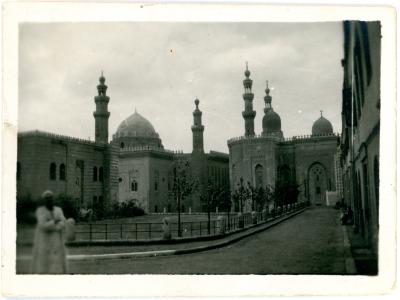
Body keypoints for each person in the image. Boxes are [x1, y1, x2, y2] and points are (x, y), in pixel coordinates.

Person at [31, 190, 67, 274]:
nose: (49, 200)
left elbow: (63, 222)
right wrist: (55, 221)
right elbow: (42, 225)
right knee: (44, 265)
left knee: (56, 264)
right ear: (44, 200)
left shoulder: (58, 210)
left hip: (56, 241)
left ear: (53, 199)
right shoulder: (40, 211)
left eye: (50, 198)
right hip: (44, 241)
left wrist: (52, 225)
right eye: (47, 198)